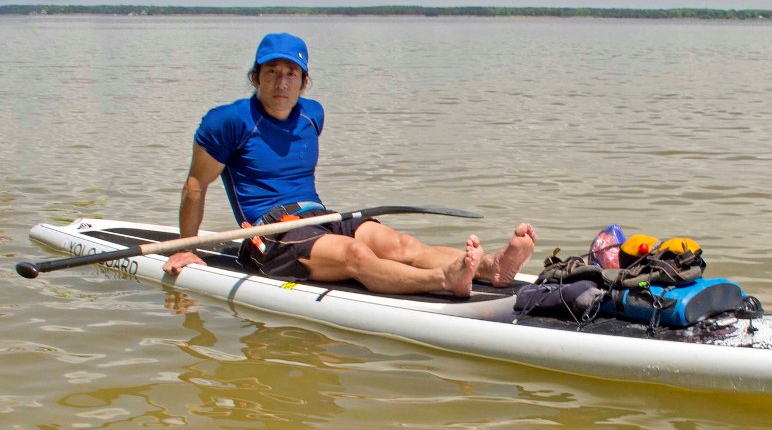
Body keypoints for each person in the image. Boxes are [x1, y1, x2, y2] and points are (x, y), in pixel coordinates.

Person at [163, 33, 535, 297]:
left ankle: (491, 268)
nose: (281, 82)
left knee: (400, 243)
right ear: (256, 76)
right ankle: (444, 279)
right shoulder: (227, 122)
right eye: (272, 71)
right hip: (271, 234)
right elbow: (195, 186)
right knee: (357, 255)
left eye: (291, 73)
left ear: (303, 81)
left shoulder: (313, 115)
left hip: (319, 214)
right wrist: (187, 246)